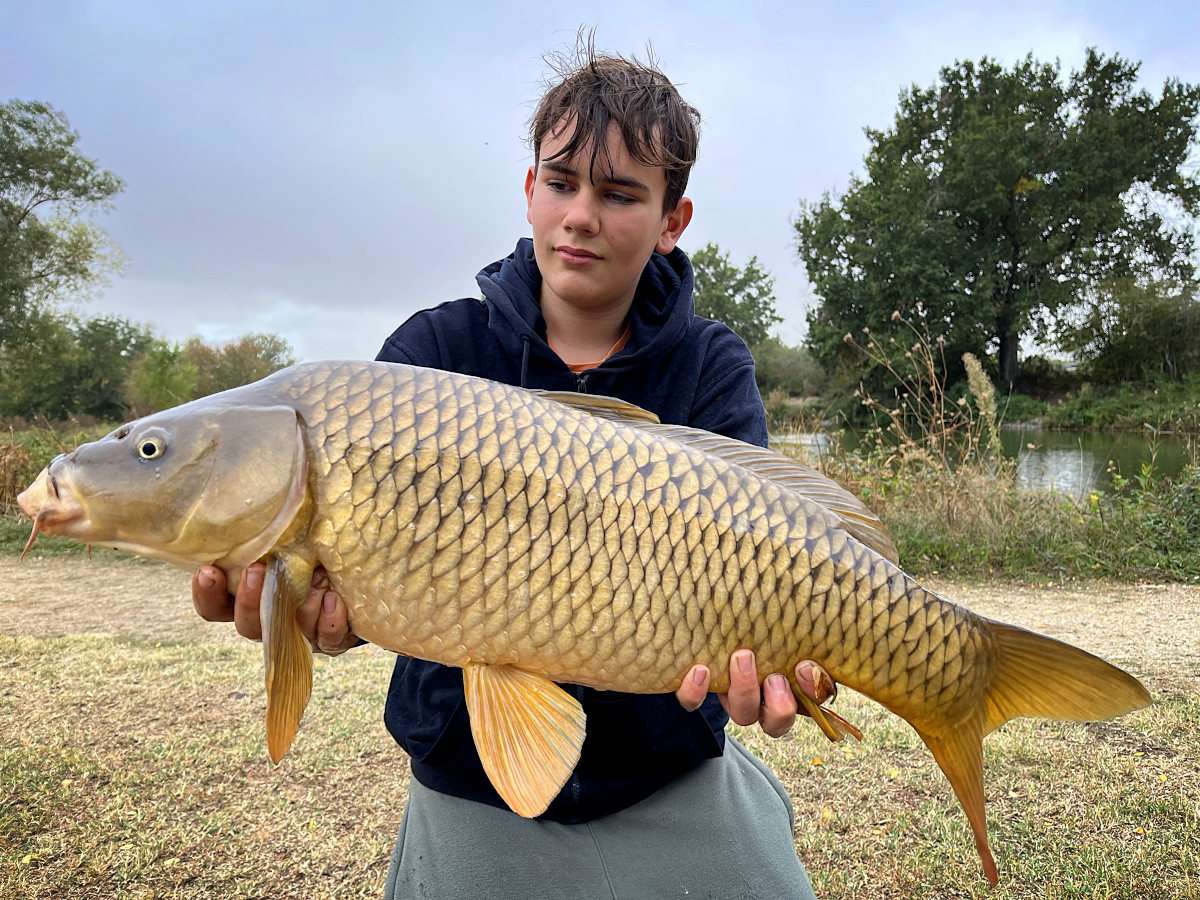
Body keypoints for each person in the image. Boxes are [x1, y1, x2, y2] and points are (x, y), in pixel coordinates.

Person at [192, 47, 837, 899]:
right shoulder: (432, 356)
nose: (581, 216)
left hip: (666, 767)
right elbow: (345, 607)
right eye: (563, 182)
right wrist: (320, 619)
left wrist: (795, 667)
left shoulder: (711, 365)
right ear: (528, 187)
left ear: (672, 218)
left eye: (618, 194)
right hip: (470, 776)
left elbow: (772, 544)